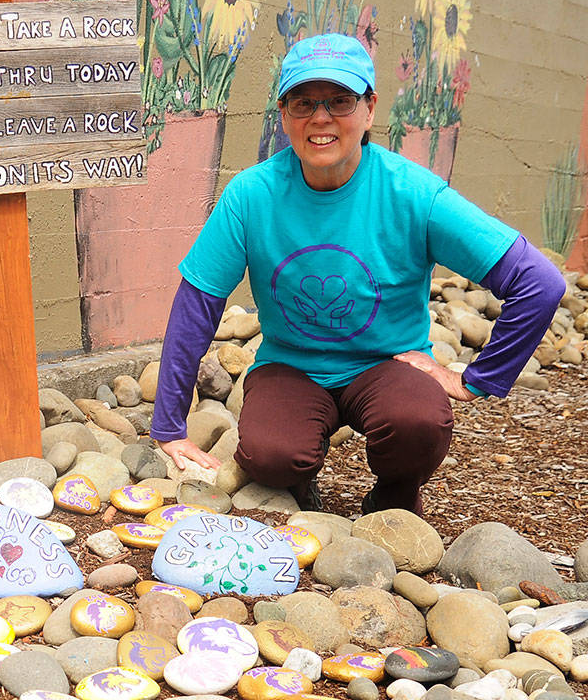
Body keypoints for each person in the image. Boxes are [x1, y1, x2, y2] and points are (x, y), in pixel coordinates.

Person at [149, 32, 566, 515]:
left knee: (419, 422)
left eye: (340, 101)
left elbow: (539, 282)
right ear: (283, 114)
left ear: (369, 109)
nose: (320, 117)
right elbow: (196, 307)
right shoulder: (251, 195)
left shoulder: (412, 193)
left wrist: (476, 378)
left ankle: (393, 499)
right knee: (271, 455)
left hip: (387, 365)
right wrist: (169, 429)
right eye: (303, 102)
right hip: (291, 366)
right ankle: (298, 484)